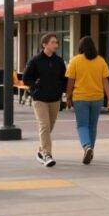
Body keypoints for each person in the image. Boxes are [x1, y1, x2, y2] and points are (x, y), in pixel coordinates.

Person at [66, 37, 109, 165]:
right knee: (92, 126)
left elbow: (70, 81)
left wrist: (68, 97)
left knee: (82, 125)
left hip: (80, 98)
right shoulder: (101, 61)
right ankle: (90, 149)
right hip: (97, 98)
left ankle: (87, 146)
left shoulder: (75, 61)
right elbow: (105, 81)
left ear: (80, 48)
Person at [23, 34, 68, 167]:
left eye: (56, 42)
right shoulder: (35, 60)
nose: (56, 45)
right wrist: (36, 87)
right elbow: (26, 79)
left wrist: (66, 93)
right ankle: (47, 154)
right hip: (39, 99)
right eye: (53, 42)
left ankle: (40, 151)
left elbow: (63, 79)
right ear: (44, 44)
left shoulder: (59, 61)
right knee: (44, 125)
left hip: (54, 99)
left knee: (49, 127)